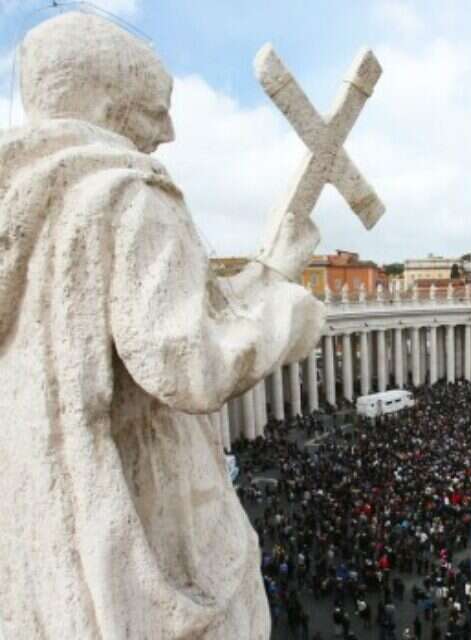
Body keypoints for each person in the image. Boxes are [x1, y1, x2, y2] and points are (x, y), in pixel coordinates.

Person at [0, 12, 323, 639]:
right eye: (155, 112)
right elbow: (189, 362)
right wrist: (290, 313)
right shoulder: (123, 195)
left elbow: (172, 312)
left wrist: (268, 272)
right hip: (142, 528)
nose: (168, 133)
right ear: (105, 104)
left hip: (40, 538)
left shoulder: (25, 206)